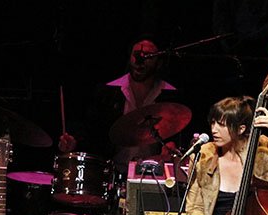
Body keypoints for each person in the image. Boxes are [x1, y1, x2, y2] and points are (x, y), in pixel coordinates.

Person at [60, 37, 180, 174]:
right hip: (114, 173)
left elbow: (181, 137)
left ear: (159, 63)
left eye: (148, 56)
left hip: (155, 175)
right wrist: (74, 142)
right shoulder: (108, 93)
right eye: (136, 54)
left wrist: (173, 146)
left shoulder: (171, 96)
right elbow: (92, 133)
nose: (140, 60)